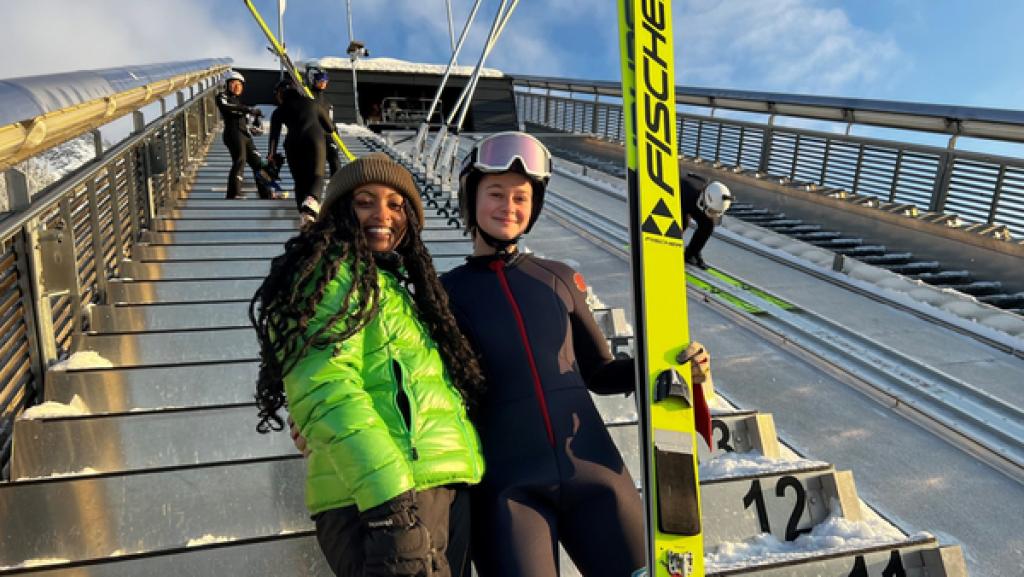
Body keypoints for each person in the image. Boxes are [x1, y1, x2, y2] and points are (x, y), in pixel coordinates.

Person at [250, 152, 486, 577]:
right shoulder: (330, 276)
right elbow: (328, 388)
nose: (383, 215)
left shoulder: (393, 287)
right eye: (365, 201)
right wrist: (390, 505)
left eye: (396, 205)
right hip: (388, 499)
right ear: (340, 210)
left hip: (432, 489)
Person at [440, 132, 646, 576]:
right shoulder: (443, 293)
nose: (508, 206)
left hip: (595, 471)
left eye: (521, 197)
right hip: (506, 490)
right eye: (496, 193)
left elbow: (600, 371)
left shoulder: (558, 278)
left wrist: (659, 367)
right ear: (471, 199)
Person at [268, 78, 338, 227]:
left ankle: (304, 215)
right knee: (317, 175)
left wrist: (271, 154)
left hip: (292, 144)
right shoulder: (312, 103)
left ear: (280, 94)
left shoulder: (279, 110)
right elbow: (330, 127)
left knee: (299, 182)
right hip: (315, 140)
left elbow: (274, 136)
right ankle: (312, 200)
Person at [215, 70, 274, 199]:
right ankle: (234, 193)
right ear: (226, 84)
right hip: (233, 133)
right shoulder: (222, 96)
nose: (237, 87)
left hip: (245, 135)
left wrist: (256, 122)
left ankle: (267, 194)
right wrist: (247, 109)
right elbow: (226, 107)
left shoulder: (239, 103)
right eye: (234, 83)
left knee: (259, 163)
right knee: (240, 160)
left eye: (240, 84)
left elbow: (250, 124)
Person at [680, 173, 733, 270]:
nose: (712, 214)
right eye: (712, 211)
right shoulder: (685, 191)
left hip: (696, 201)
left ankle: (692, 253)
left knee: (707, 225)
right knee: (682, 224)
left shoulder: (711, 195)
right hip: (680, 199)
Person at [307, 65, 342, 177]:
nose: (324, 81)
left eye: (326, 78)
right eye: (320, 78)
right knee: (316, 164)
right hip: (313, 135)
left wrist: (336, 136)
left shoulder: (327, 102)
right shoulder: (307, 97)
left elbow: (331, 121)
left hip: (327, 135)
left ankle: (336, 183)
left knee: (335, 160)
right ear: (312, 79)